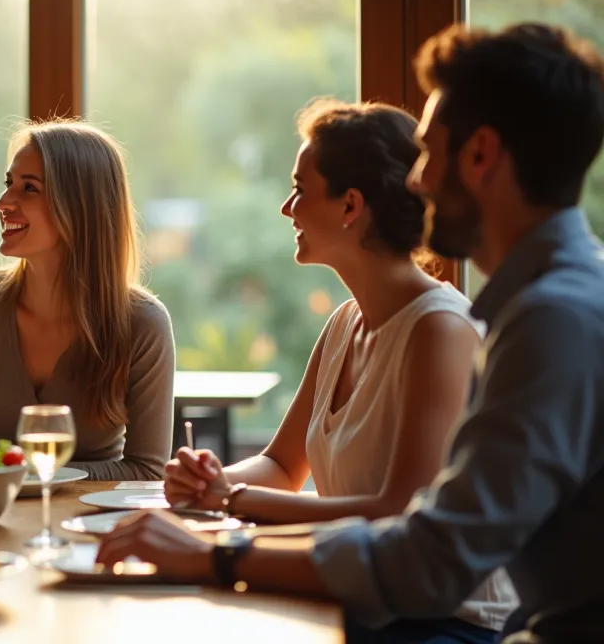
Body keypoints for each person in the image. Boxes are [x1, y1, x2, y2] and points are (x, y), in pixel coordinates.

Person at [96, 22, 604, 643]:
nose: (416, 180)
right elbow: (308, 476)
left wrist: (218, 552)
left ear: (480, 156)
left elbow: (430, 559)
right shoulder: (546, 306)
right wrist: (223, 498)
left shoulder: (553, 320)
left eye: (429, 151)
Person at [163, 98, 516, 640]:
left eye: (300, 189)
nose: (286, 208)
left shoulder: (440, 331)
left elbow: (397, 513)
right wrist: (212, 478)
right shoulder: (345, 323)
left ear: (351, 205)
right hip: (363, 598)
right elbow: (283, 466)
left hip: (443, 623)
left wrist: (230, 501)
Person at [0, 120, 175, 480]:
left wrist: (19, 474)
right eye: (9, 183)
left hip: (95, 527)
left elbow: (148, 471)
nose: (3, 202)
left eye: (29, 189)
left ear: (80, 207)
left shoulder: (143, 322)